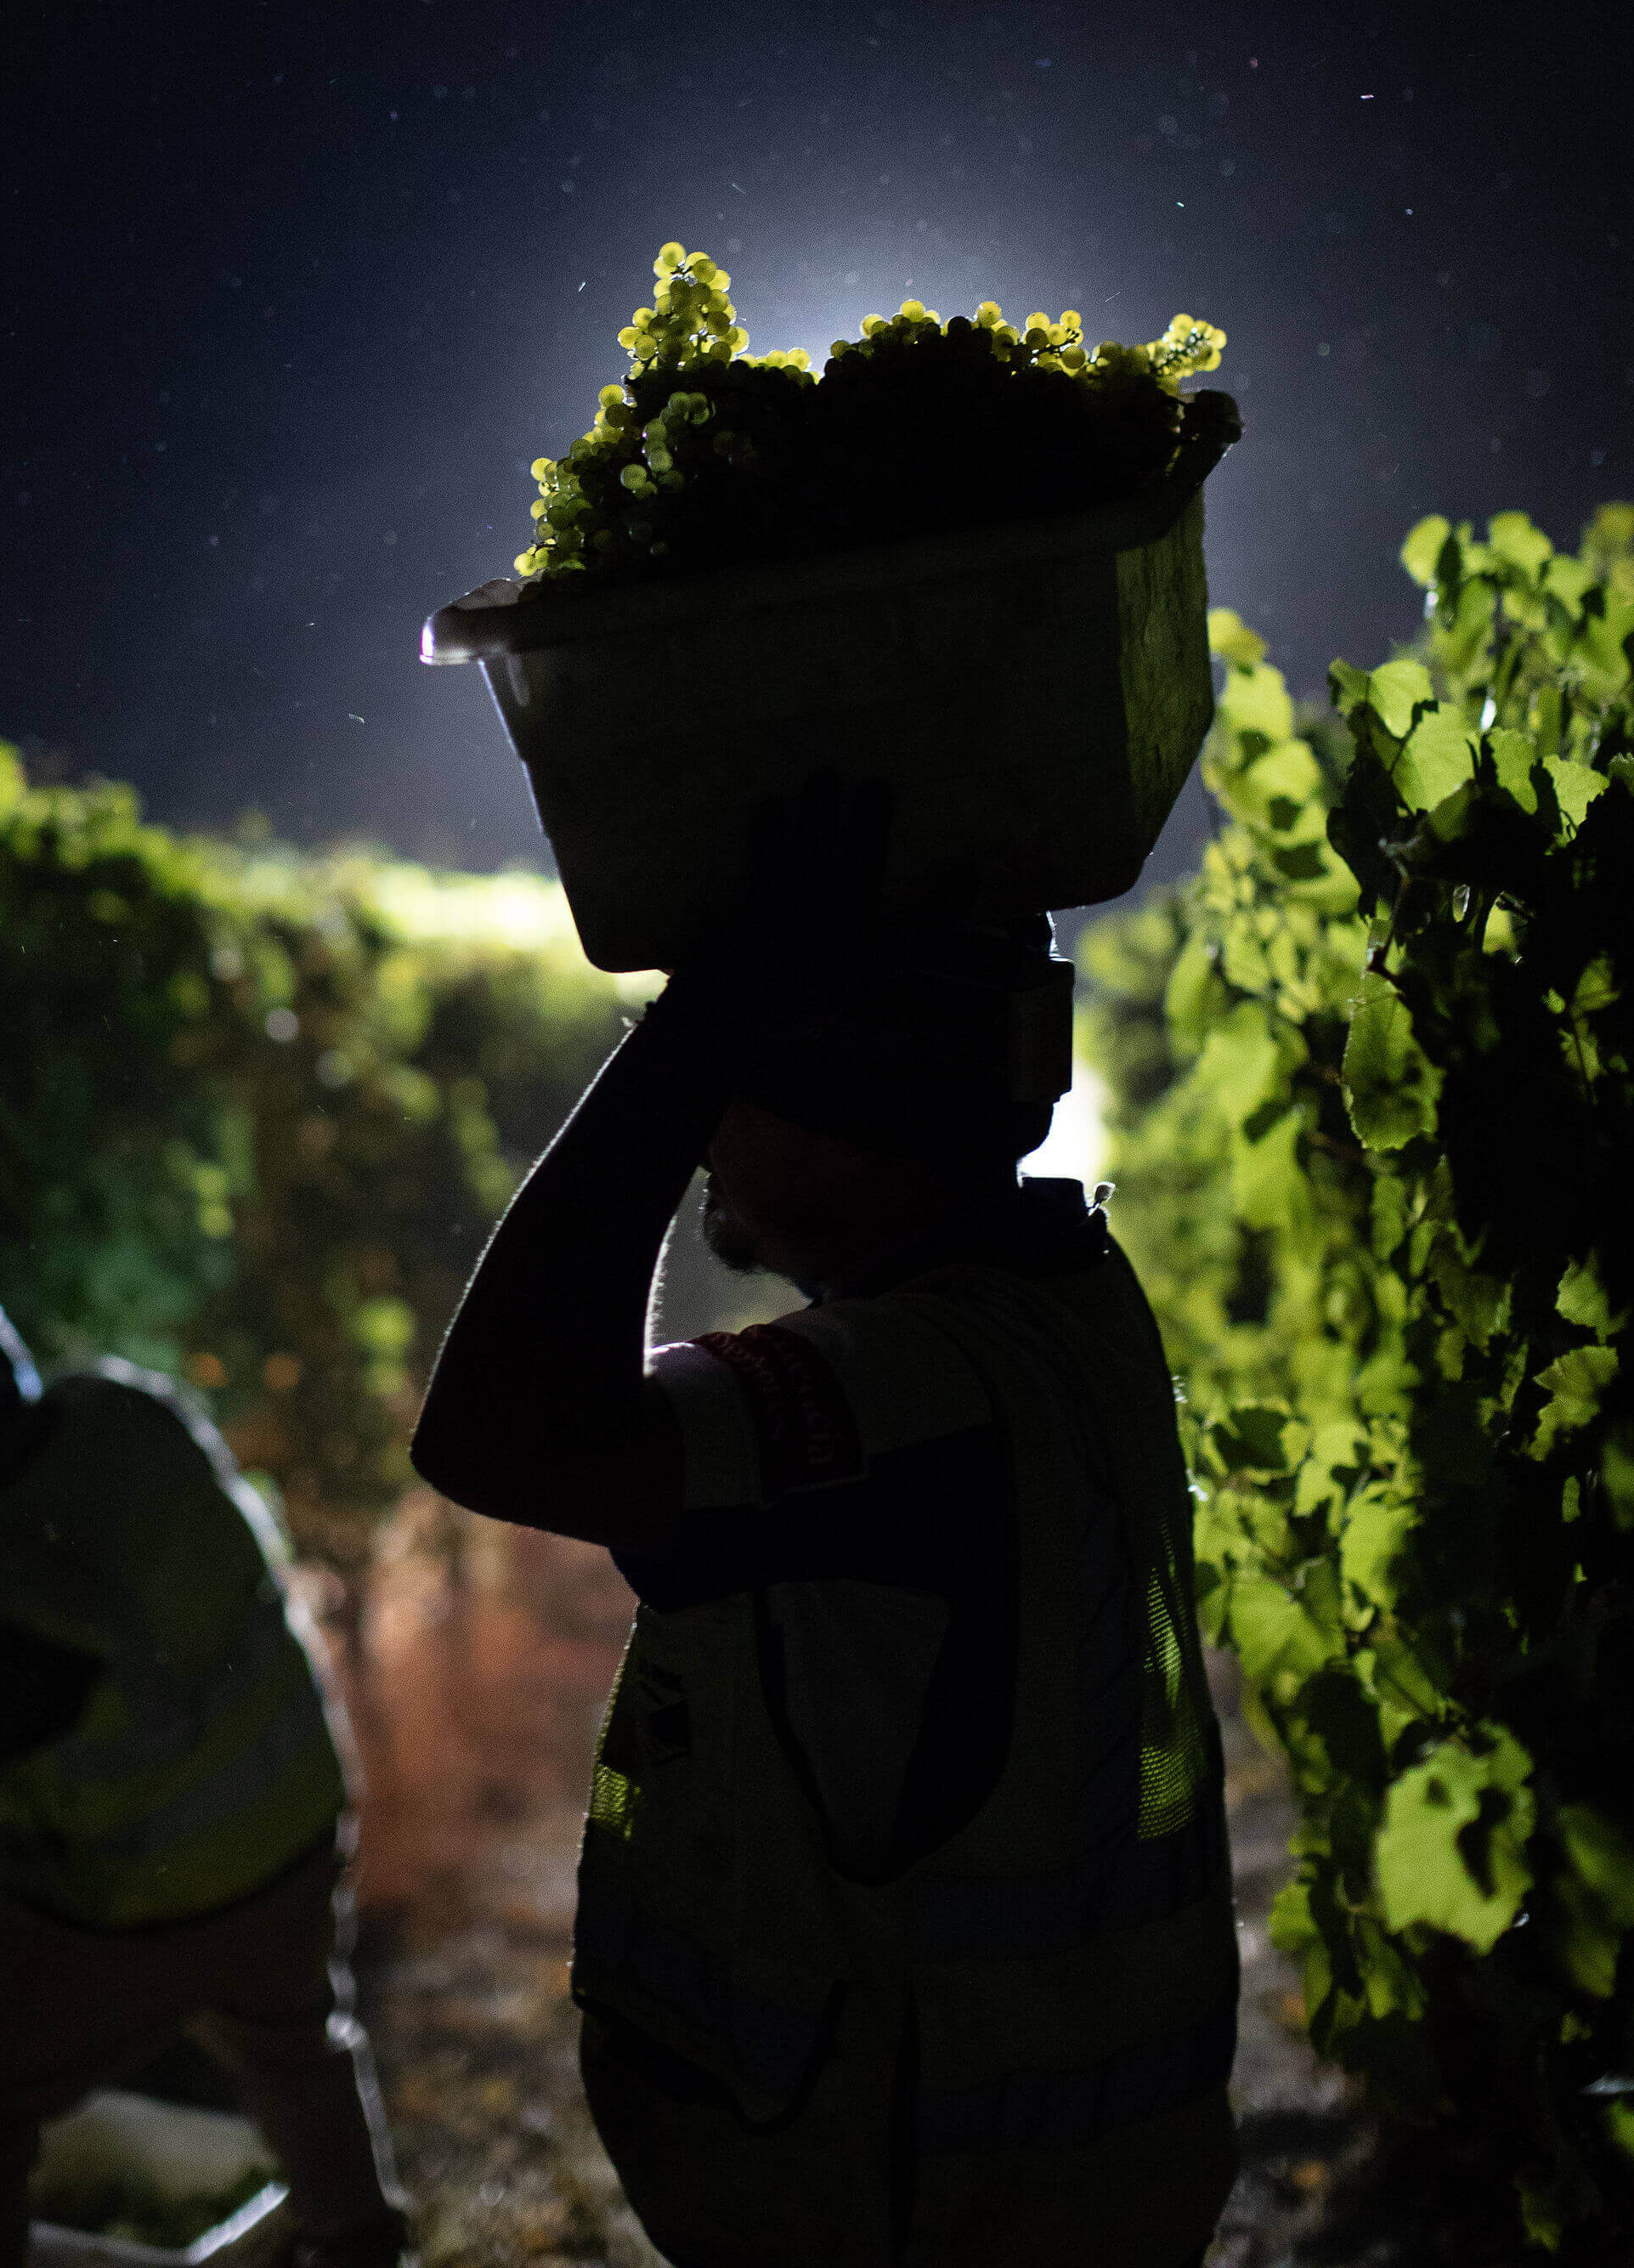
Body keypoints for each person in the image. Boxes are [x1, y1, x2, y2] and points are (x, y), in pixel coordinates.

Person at [411, 823, 1239, 2268]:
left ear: (847, 1127)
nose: (706, 1127)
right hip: (1055, 2179)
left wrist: (695, 1024)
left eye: (736, 1091)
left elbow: (497, 1430)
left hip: (926, 2199)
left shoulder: (912, 1389)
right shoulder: (1064, 1301)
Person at [0, 1290, 409, 2268]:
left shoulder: (6, 1598)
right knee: (292, 2039)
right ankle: (362, 2241)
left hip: (147, 1893)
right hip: (293, 1821)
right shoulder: (121, 1411)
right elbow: (25, 1534)